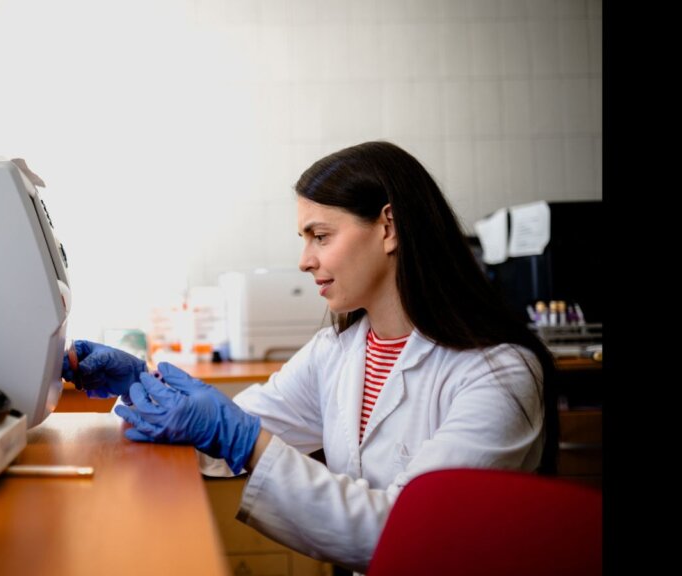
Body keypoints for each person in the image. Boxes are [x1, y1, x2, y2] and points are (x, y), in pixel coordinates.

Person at [62, 141, 557, 574]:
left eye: (320, 236)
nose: (305, 260)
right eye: (305, 239)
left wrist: (246, 443)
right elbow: (228, 429)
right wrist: (139, 385)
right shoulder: (337, 353)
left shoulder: (498, 374)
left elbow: (407, 535)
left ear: (389, 227)